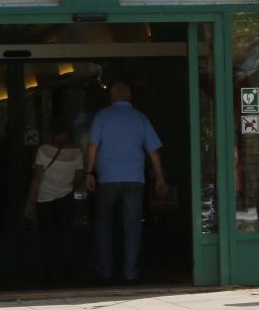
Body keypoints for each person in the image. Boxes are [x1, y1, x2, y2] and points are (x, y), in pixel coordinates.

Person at [85, 80, 168, 284]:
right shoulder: (140, 118)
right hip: (134, 179)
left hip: (108, 178)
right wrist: (159, 177)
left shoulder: (102, 116)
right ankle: (130, 271)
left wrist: (89, 172)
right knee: (132, 225)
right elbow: (153, 151)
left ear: (112, 96)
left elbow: (93, 146)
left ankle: (105, 270)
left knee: (104, 223)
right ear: (129, 96)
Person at [23, 122, 83, 285]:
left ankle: (51, 274)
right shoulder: (76, 151)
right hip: (66, 197)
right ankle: (68, 272)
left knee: (47, 236)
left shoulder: (43, 150)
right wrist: (69, 187)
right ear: (66, 133)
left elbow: (37, 177)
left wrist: (30, 200)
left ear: (51, 134)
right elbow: (79, 175)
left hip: (45, 198)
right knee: (65, 234)